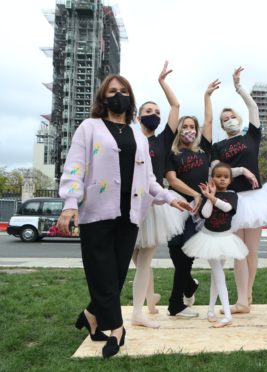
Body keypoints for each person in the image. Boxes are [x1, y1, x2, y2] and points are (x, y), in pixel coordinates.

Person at [56, 74, 191, 358]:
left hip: (130, 215)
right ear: (103, 98)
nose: (119, 95)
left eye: (124, 91)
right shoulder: (89, 127)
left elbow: (151, 179)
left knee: (115, 276)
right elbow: (75, 167)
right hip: (96, 212)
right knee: (100, 272)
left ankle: (91, 316)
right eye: (113, 91)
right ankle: (117, 329)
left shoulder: (137, 136)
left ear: (130, 98)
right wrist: (70, 203)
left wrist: (170, 198)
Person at [211, 67, 267, 313]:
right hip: (233, 200)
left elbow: (254, 109)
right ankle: (242, 300)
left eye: (231, 116)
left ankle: (248, 295)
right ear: (222, 125)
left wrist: (238, 88)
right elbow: (216, 169)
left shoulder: (251, 137)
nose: (229, 120)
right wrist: (239, 171)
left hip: (255, 199)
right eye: (224, 119)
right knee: (238, 253)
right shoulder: (219, 146)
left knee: (252, 252)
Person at [131, 61, 185, 328]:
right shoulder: (130, 139)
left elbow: (176, 108)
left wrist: (162, 82)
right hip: (130, 205)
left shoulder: (162, 140)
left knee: (145, 259)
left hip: (156, 205)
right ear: (138, 116)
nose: (154, 114)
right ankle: (149, 301)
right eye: (148, 111)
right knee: (136, 260)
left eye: (156, 111)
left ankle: (138, 312)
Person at [165, 79, 220, 317]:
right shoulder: (172, 152)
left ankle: (176, 304)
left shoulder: (203, 151)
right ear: (179, 129)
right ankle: (189, 285)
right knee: (175, 252)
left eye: (192, 126)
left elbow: (208, 120)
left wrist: (206, 95)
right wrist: (195, 194)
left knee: (186, 255)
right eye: (184, 125)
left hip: (199, 211)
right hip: (178, 206)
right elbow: (172, 180)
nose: (189, 129)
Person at [183, 163, 248, 328]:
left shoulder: (233, 195)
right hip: (209, 238)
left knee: (215, 277)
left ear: (230, 179)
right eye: (218, 176)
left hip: (225, 239)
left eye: (226, 176)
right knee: (219, 276)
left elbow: (227, 208)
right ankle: (227, 315)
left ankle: (211, 310)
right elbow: (205, 214)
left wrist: (212, 197)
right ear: (212, 178)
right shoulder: (207, 195)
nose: (222, 179)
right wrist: (209, 197)